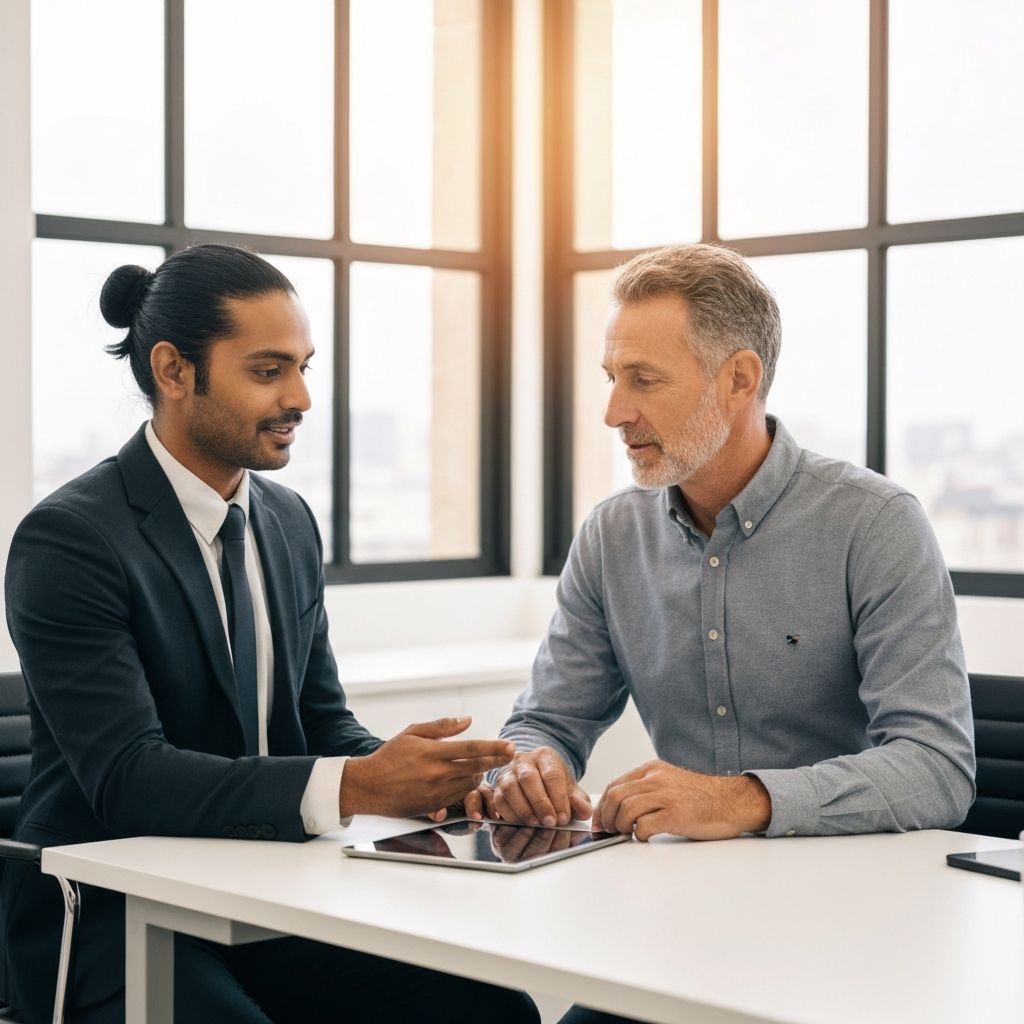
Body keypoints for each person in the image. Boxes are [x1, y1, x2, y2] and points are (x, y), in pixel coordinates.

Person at [2, 243, 539, 1024]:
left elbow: (321, 724)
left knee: (492, 1010)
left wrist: (431, 782)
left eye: (303, 368)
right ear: (174, 371)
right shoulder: (71, 539)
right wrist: (361, 787)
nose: (300, 398)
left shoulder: (286, 523)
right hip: (103, 914)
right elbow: (129, 777)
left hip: (266, 894)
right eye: (267, 371)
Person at [463, 243, 976, 1023]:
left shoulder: (874, 525)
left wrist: (744, 801)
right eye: (612, 379)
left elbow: (938, 768)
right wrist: (530, 766)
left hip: (853, 937)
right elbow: (547, 720)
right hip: (674, 933)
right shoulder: (611, 536)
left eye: (645, 380)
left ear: (739, 379)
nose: (614, 413)